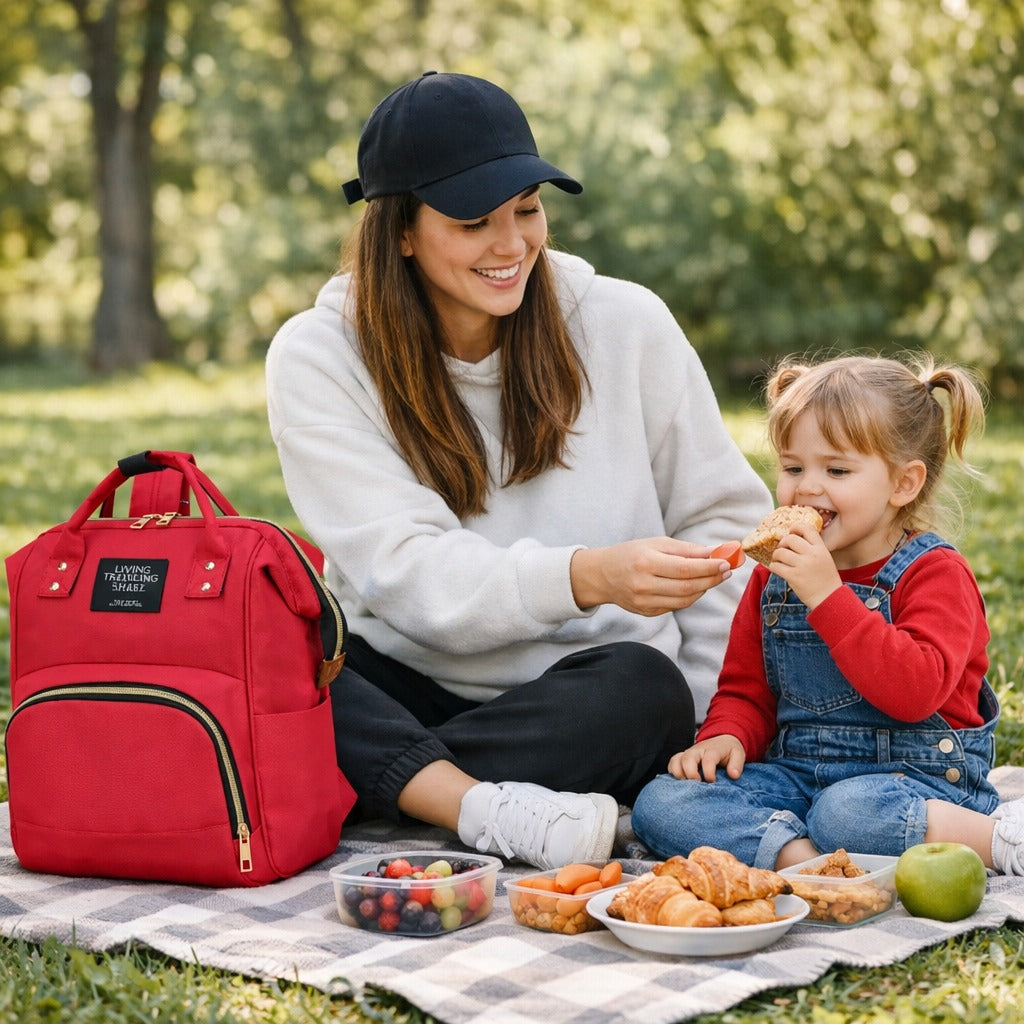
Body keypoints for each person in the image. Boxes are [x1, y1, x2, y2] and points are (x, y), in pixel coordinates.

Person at [265, 71, 772, 870]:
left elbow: (724, 529)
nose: (512, 246)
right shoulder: (321, 354)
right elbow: (407, 574)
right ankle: (474, 806)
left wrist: (713, 723)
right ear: (400, 231)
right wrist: (585, 576)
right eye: (474, 222)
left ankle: (386, 781)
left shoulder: (624, 323)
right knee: (266, 648)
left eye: (528, 210)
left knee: (646, 692)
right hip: (401, 674)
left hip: (584, 693)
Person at [632, 353, 1024, 875]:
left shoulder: (935, 574)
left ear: (903, 484)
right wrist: (725, 735)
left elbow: (915, 693)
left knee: (849, 811)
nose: (807, 487)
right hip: (800, 777)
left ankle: (997, 842)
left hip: (918, 783)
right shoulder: (777, 574)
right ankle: (808, 864)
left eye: (836, 469)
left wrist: (828, 597)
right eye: (793, 467)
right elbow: (747, 689)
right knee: (661, 803)